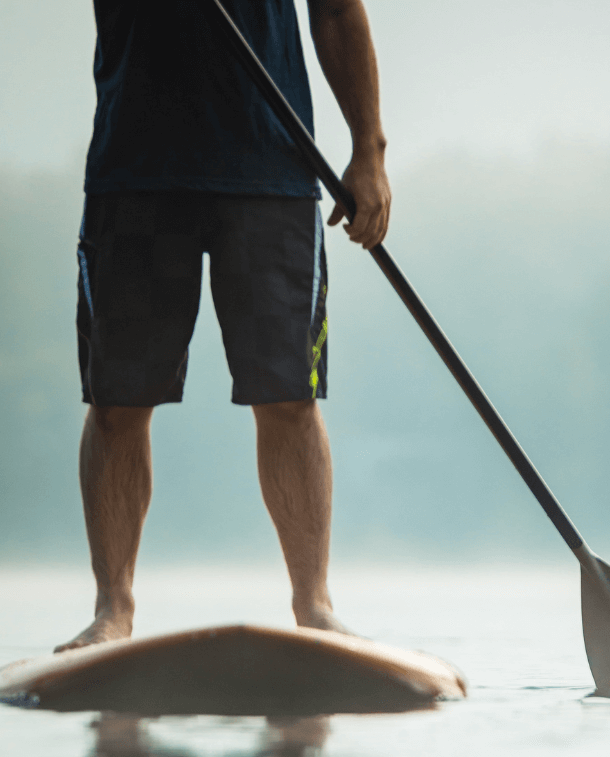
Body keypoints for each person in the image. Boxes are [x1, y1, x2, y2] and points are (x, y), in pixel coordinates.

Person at [58, 0, 391, 652]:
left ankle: (314, 608)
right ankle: (112, 612)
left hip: (272, 168)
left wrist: (368, 151)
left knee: (291, 397)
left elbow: (335, 10)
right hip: (137, 168)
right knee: (117, 403)